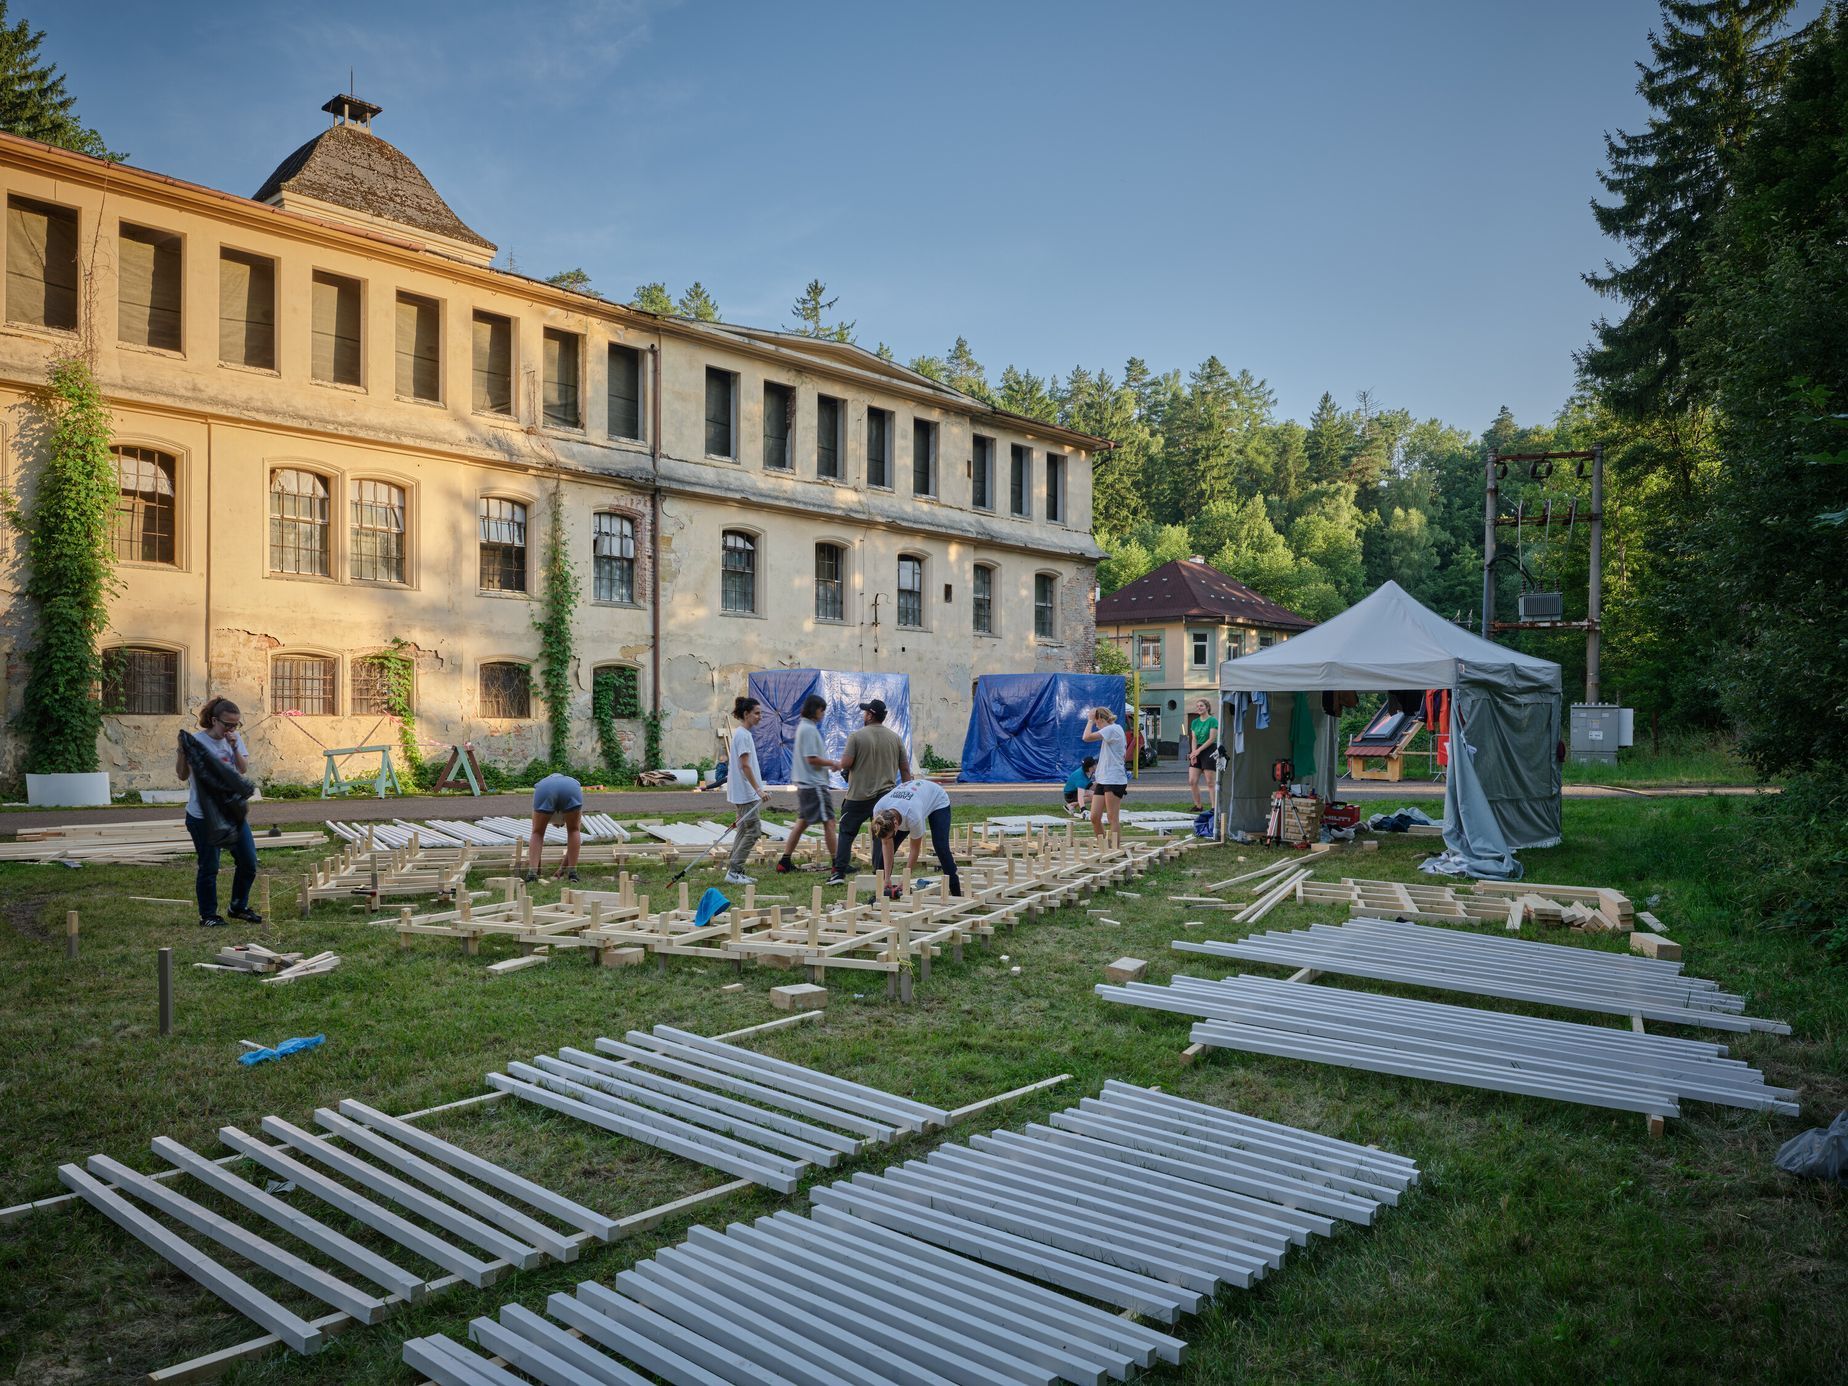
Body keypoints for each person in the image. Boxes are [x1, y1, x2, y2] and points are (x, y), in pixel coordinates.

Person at [175, 697, 259, 928]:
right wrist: (182, 753)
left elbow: (242, 769)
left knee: (249, 862)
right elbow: (182, 776)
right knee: (210, 866)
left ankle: (238, 907)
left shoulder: (234, 739)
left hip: (230, 814)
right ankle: (208, 915)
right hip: (202, 817)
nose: (232, 729)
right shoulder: (196, 742)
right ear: (214, 720)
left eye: (236, 725)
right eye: (227, 725)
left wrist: (233, 745)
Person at [828, 697, 911, 886]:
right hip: (885, 796)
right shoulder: (895, 738)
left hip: (858, 795)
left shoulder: (856, 736)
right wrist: (907, 794)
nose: (863, 715)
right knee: (881, 833)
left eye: (865, 712)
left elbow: (847, 763)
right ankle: (879, 871)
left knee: (847, 833)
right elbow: (905, 770)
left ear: (870, 715)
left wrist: (841, 767)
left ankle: (839, 872)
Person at [777, 693, 839, 874]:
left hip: (805, 784)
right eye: (822, 710)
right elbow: (812, 759)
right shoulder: (809, 729)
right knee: (829, 821)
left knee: (802, 823)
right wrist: (833, 763)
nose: (823, 714)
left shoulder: (804, 727)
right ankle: (837, 863)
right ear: (816, 710)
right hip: (814, 784)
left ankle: (784, 861)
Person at [870, 777, 961, 899]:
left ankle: (956, 892)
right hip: (912, 798)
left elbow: (914, 849)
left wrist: (905, 880)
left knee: (940, 847)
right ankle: (883, 889)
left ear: (896, 824)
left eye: (891, 835)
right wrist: (886, 878)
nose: (889, 838)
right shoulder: (879, 809)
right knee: (881, 852)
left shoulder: (913, 816)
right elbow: (886, 844)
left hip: (937, 798)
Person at [723, 695, 766, 884]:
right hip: (746, 792)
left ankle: (734, 869)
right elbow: (745, 766)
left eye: (760, 713)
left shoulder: (743, 735)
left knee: (743, 829)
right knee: (754, 830)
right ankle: (734, 871)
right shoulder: (742, 736)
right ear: (746, 714)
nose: (760, 717)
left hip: (745, 792)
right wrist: (758, 790)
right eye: (757, 713)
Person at [1081, 705, 1129, 840]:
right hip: (1104, 779)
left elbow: (1086, 737)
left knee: (1112, 817)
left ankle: (1115, 849)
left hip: (1114, 779)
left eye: (1096, 722)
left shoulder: (1113, 729)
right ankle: (1104, 847)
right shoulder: (1112, 730)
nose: (1096, 725)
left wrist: (1090, 720)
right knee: (1094, 816)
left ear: (1100, 719)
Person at [525, 772, 584, 882]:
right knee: (574, 830)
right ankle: (573, 874)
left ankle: (532, 874)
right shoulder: (570, 781)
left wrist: (537, 868)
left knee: (537, 832)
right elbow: (574, 841)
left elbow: (537, 836)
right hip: (571, 788)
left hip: (544, 789)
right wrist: (563, 869)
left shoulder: (543, 783)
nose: (558, 827)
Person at [1186, 698, 1221, 811]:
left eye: (1201, 706)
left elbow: (1211, 739)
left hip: (1209, 750)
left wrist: (1198, 750)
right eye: (1197, 706)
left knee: (1210, 781)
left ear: (1207, 707)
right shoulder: (1195, 722)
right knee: (1192, 780)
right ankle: (1198, 806)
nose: (1199, 708)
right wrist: (1193, 753)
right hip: (1197, 750)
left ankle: (1214, 807)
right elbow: (1194, 739)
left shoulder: (1212, 721)